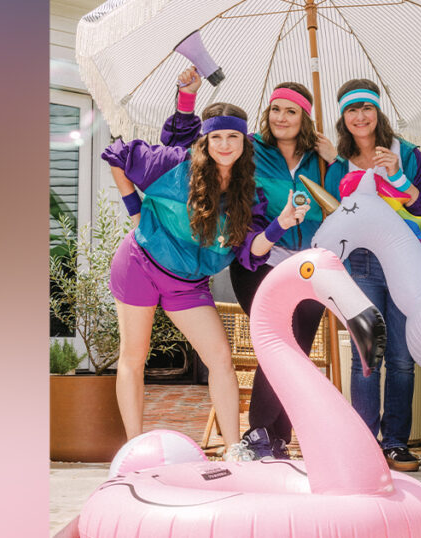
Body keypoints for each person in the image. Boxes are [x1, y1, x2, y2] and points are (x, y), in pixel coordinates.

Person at [102, 96, 308, 461]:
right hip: (140, 265)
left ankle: (232, 451)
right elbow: (118, 155)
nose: (225, 145)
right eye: (217, 137)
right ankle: (134, 449)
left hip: (188, 284)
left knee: (221, 360)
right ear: (206, 140)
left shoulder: (249, 194)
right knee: (134, 357)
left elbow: (251, 250)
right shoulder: (174, 164)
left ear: (245, 142)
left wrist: (282, 224)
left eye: (233, 137)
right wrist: (135, 212)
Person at [162, 69, 333, 460]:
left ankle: (278, 438)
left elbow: (343, 199)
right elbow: (197, 144)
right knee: (279, 343)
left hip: (309, 266)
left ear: (305, 118)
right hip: (259, 263)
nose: (281, 117)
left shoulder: (321, 159)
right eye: (275, 109)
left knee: (298, 350)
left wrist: (335, 159)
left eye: (291, 111)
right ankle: (258, 433)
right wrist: (186, 100)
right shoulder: (251, 148)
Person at [322, 79, 421, 472]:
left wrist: (400, 179)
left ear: (378, 113)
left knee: (403, 359)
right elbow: (331, 221)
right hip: (359, 266)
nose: (360, 116)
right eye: (352, 110)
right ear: (344, 118)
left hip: (406, 262)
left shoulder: (404, 153)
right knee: (365, 356)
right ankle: (364, 444)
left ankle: (395, 443)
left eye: (366, 108)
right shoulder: (336, 165)